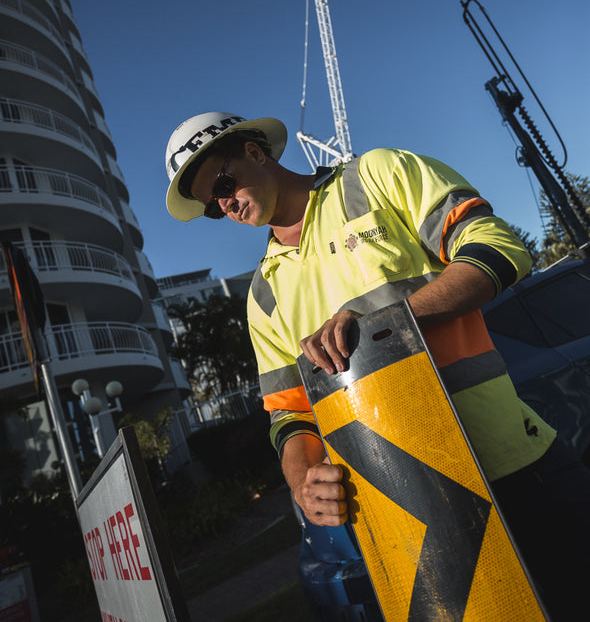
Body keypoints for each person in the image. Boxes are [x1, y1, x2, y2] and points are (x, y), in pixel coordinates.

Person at [165, 111, 590, 621]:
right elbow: (290, 418)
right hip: (401, 518)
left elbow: (496, 250)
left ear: (255, 151)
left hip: (514, 469)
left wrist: (382, 326)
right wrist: (303, 484)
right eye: (213, 207)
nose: (225, 204)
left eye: (223, 184)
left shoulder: (375, 177)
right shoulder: (263, 297)